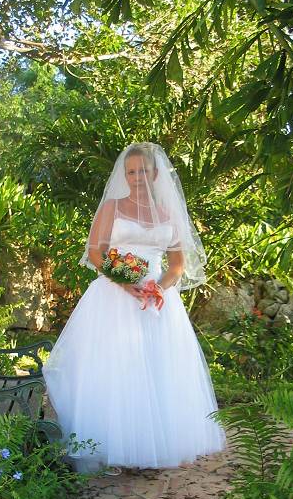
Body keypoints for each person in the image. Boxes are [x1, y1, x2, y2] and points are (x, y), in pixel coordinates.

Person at [42, 141, 227, 475]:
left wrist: (160, 288)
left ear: (155, 174)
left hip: (155, 300)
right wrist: (123, 281)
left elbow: (177, 265)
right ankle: (111, 446)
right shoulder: (112, 207)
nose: (137, 176)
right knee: (114, 370)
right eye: (131, 172)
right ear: (124, 175)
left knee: (158, 371)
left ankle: (154, 445)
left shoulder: (168, 215)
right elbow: (95, 252)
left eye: (143, 170)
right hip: (114, 296)